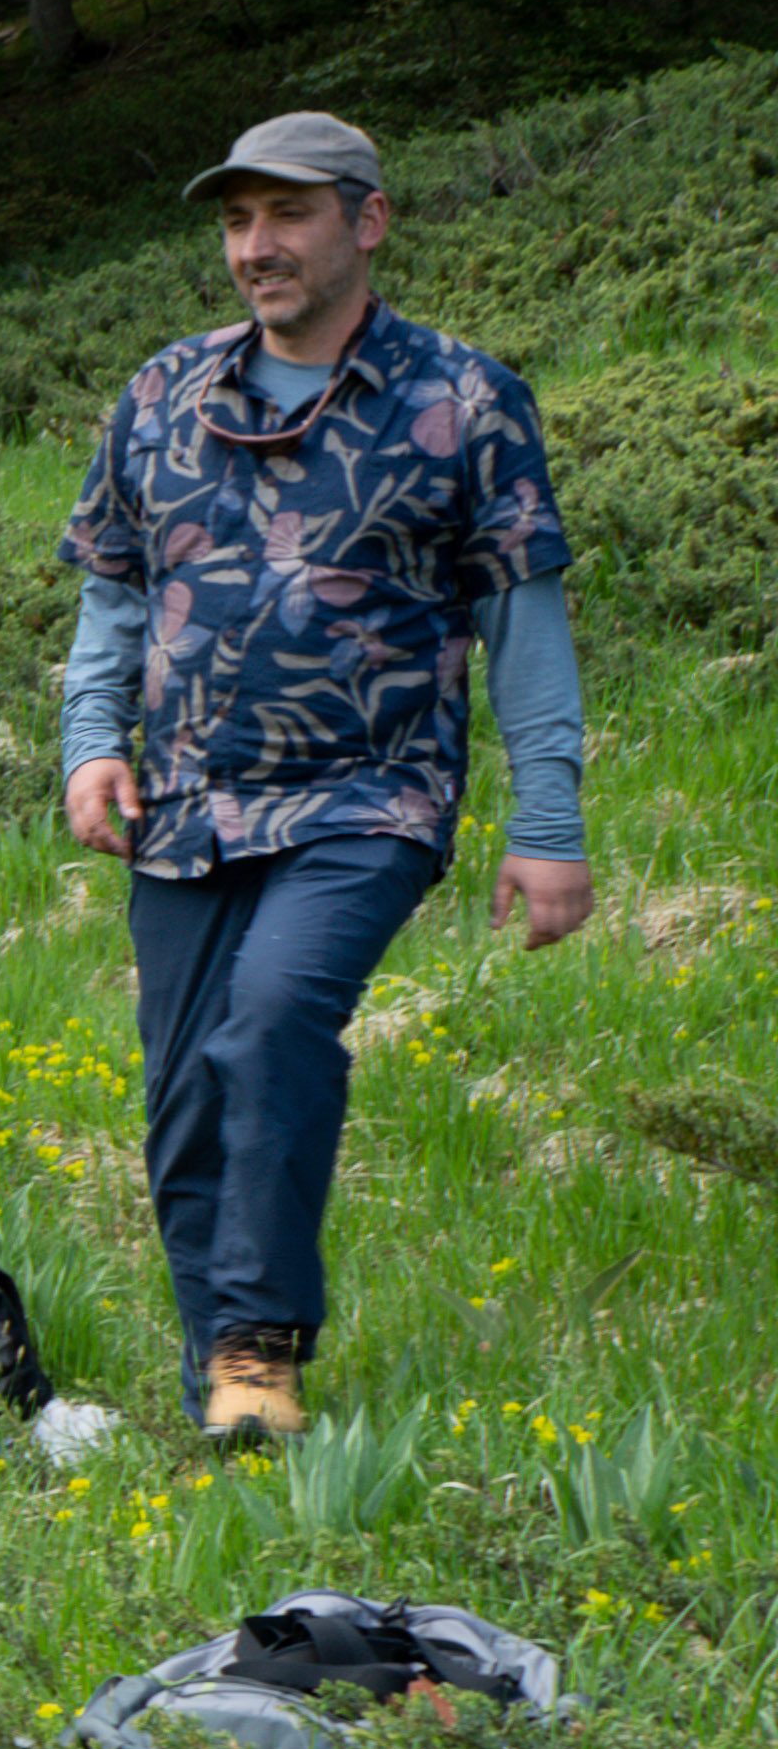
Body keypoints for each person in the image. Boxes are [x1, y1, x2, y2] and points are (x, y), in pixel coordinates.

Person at [57, 110, 595, 1443]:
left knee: (275, 1019)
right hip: (185, 804)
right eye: (238, 220)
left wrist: (550, 823)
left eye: (287, 214)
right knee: (186, 1107)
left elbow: (523, 627)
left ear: (368, 220)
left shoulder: (461, 400)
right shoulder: (164, 393)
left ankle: (260, 1340)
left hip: (372, 796)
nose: (258, 247)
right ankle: (226, 1409)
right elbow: (112, 598)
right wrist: (90, 742)